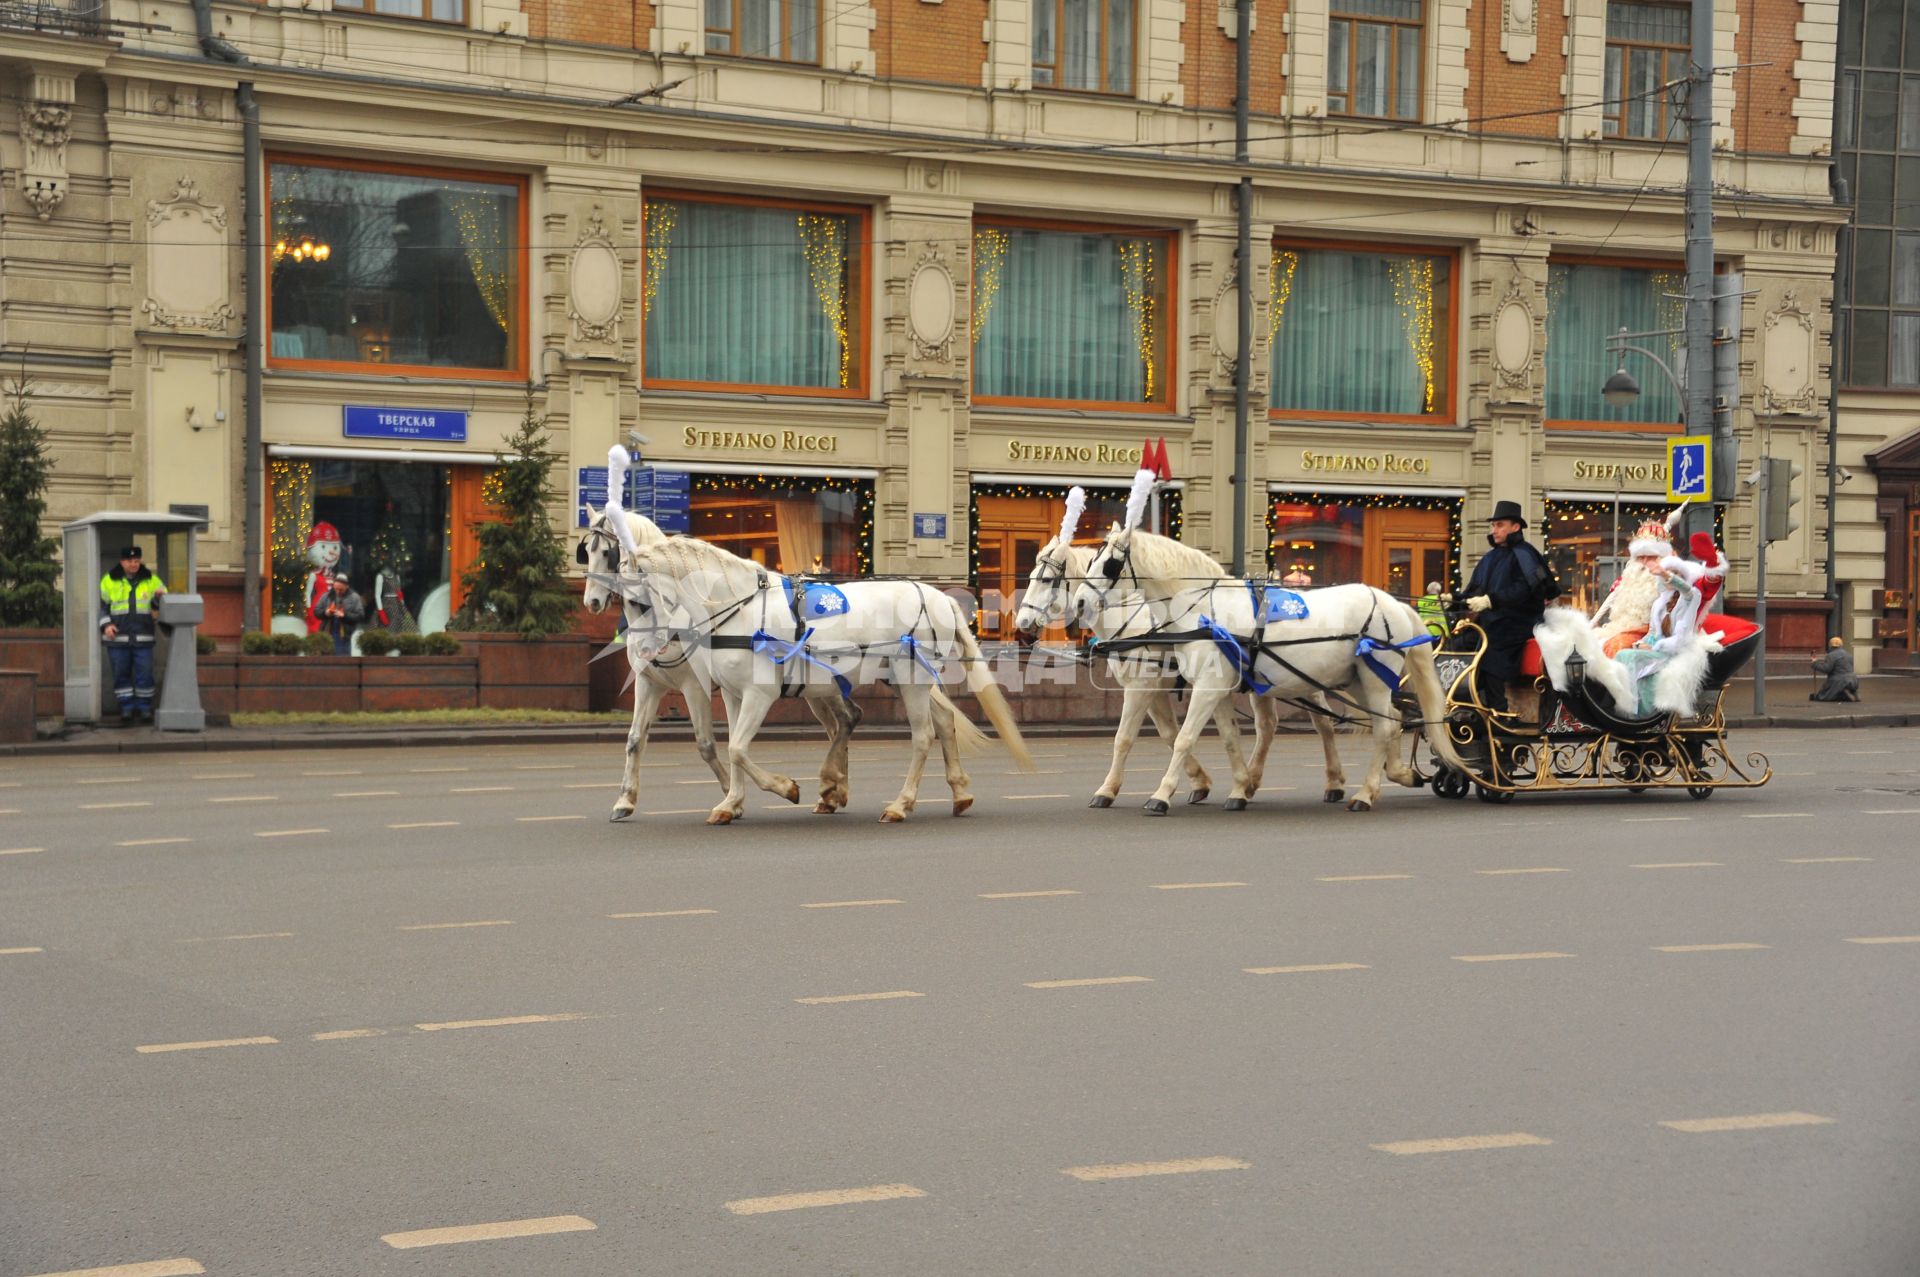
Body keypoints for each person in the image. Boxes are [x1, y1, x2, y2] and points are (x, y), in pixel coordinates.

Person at [1460, 500, 1551, 713]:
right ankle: (1468, 705)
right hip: (1492, 621)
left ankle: (1499, 712)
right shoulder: (1490, 557)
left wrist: (1492, 600)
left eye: (1500, 525)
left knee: (1491, 651)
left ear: (1515, 527)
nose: (1495, 529)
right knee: (1460, 642)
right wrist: (1455, 598)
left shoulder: (1526, 553)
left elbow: (1528, 590)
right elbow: (1474, 589)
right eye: (1493, 525)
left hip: (1518, 624)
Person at [99, 544, 164, 724]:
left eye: (136, 560)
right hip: (117, 638)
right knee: (121, 674)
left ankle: (144, 710)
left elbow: (163, 606)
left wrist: (159, 599)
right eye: (130, 561)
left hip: (143, 638)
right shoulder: (108, 580)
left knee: (145, 674)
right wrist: (106, 626)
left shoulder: (152, 580)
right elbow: (101, 607)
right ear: (122, 562)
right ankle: (126, 709)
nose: (134, 564)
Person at [315, 574, 365, 656]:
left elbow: (360, 616)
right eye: (336, 589)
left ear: (347, 586)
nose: (338, 592)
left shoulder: (354, 597)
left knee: (343, 660)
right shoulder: (326, 596)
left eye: (341, 590)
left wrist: (344, 615)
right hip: (327, 634)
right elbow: (317, 611)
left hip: (345, 636)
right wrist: (325, 613)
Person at [1810, 637, 1859, 703]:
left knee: (1822, 696)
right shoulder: (1849, 654)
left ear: (1830, 645)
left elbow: (1827, 669)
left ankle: (1844, 694)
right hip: (1853, 680)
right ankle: (1852, 692)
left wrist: (1815, 663)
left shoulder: (1831, 655)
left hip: (1839, 681)